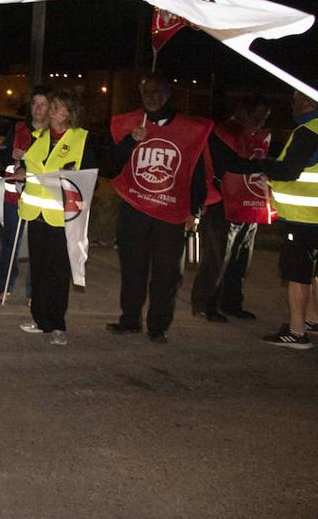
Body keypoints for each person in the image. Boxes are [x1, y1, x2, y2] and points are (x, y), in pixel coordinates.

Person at [106, 72, 211, 344]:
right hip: (135, 210)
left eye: (156, 92)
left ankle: (158, 326)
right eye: (146, 93)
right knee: (132, 270)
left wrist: (195, 209)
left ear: (167, 94)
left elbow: (197, 173)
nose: (150, 98)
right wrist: (131, 141)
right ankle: (129, 320)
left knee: (166, 275)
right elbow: (111, 165)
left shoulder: (189, 130)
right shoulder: (132, 123)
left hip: (171, 214)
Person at [16, 89, 96, 345]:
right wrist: (21, 171)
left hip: (62, 218)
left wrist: (69, 176)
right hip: (36, 215)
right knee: (38, 270)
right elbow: (32, 170)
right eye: (53, 107)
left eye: (58, 108)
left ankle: (58, 324)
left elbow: (89, 179)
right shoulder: (39, 137)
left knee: (58, 273)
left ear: (70, 114)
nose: (52, 111)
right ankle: (40, 320)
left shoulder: (81, 139)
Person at [190, 95, 272, 322]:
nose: (262, 122)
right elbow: (227, 166)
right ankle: (207, 304)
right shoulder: (222, 132)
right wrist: (264, 165)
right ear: (243, 112)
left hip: (248, 204)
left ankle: (232, 303)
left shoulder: (252, 136)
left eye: (265, 118)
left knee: (240, 257)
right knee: (218, 257)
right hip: (222, 204)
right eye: (259, 116)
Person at [258, 90, 318, 349]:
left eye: (295, 99)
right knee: (314, 273)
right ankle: (312, 319)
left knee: (298, 274)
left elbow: (290, 170)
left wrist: (265, 167)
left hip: (304, 217)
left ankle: (296, 332)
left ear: (308, 101)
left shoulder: (308, 132)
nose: (292, 104)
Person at [0, 86, 51, 301]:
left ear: (49, 107)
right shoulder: (18, 128)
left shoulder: (52, 135)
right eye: (35, 103)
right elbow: (2, 155)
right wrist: (10, 156)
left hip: (41, 197)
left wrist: (28, 169)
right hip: (15, 196)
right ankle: (4, 287)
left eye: (43, 104)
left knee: (38, 247)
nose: (38, 108)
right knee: (11, 242)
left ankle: (33, 292)